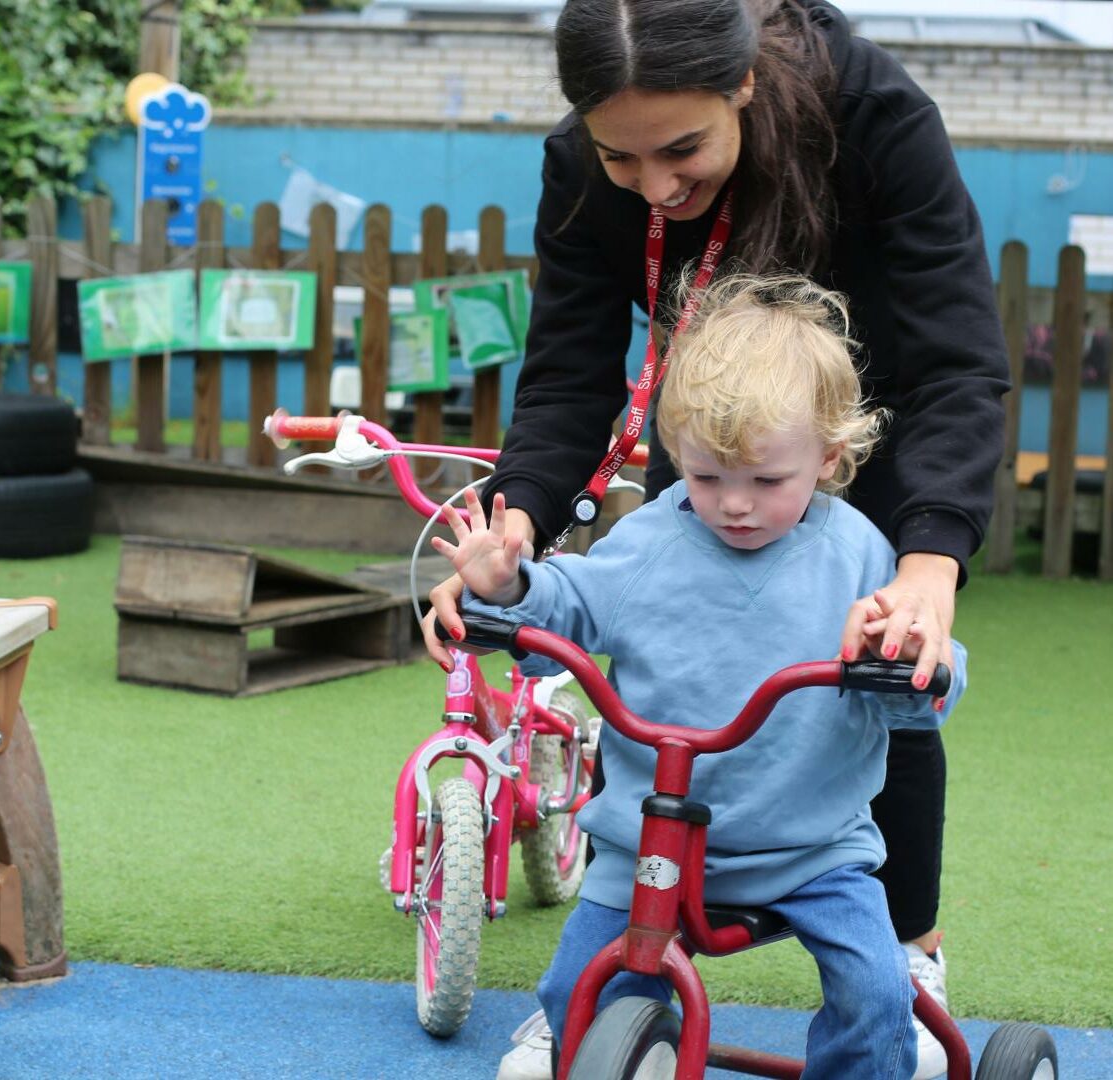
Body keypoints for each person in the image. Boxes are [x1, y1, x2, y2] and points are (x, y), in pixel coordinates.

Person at [422, 3, 1009, 1076]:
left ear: (740, 86)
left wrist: (926, 566)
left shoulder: (868, 113)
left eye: (680, 149)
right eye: (619, 156)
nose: (652, 184)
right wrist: (514, 531)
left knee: (875, 674)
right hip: (715, 421)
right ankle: (604, 991)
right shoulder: (584, 162)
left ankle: (903, 956)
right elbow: (567, 364)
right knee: (686, 639)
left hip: (845, 418)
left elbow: (957, 362)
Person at [427, 273, 968, 1080]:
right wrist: (505, 587)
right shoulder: (649, 543)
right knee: (576, 988)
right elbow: (566, 610)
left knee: (876, 993)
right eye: (709, 477)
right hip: (647, 846)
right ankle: (636, 1041)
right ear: (677, 453)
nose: (736, 505)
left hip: (814, 849)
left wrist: (907, 661)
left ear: (829, 456)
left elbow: (930, 675)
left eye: (768, 481)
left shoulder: (857, 554)